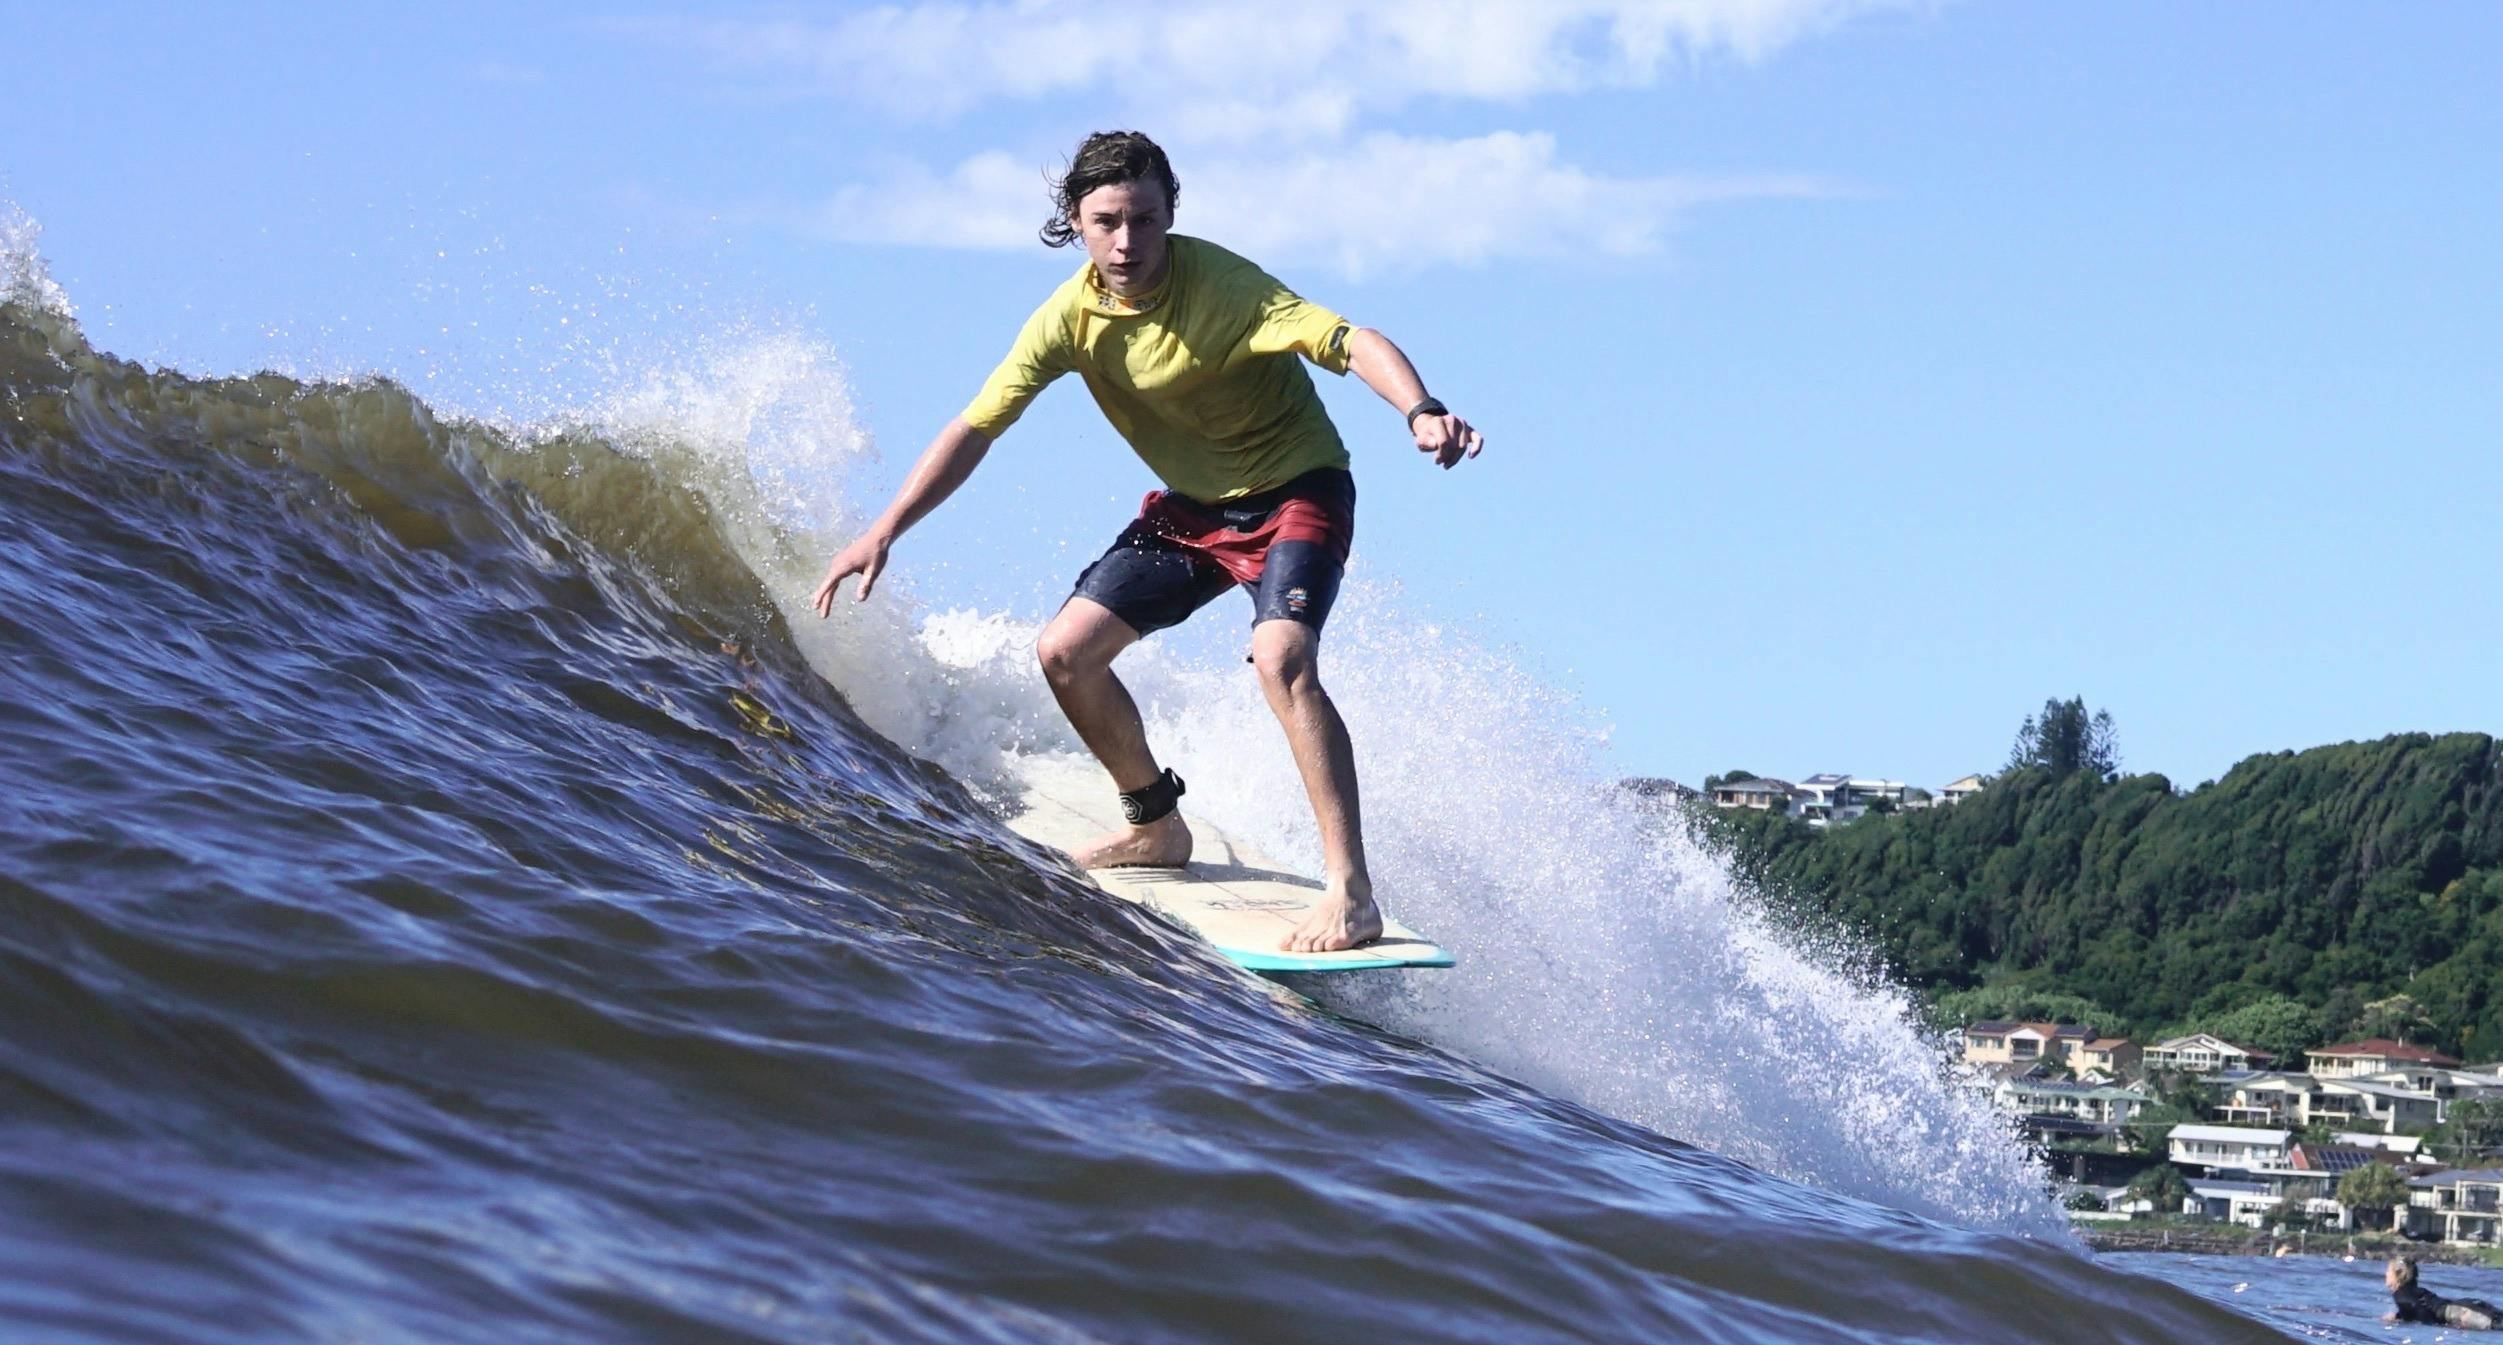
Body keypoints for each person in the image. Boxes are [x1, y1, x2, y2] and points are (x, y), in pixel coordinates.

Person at [811, 130, 1482, 954]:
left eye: (1144, 219)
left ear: (1170, 215)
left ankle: (1351, 891)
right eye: (1106, 222)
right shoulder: (1068, 319)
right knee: (1064, 651)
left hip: (1296, 489)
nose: (1127, 242)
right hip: (1195, 511)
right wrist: (882, 529)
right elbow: (976, 425)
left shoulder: (1226, 287)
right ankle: (1156, 825)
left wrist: (1420, 409)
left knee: (1280, 659)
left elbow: (1349, 341)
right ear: (1076, 221)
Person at [2385, 1256, 2502, 1329]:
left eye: (2388, 1271)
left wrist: (2433, 1326)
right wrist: (2399, 1316)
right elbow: (2418, 1305)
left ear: (2398, 1275)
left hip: (2460, 1313)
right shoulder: (2411, 1291)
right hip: (2465, 1306)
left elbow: (2419, 1310)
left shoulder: (2400, 1294)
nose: (2386, 1274)